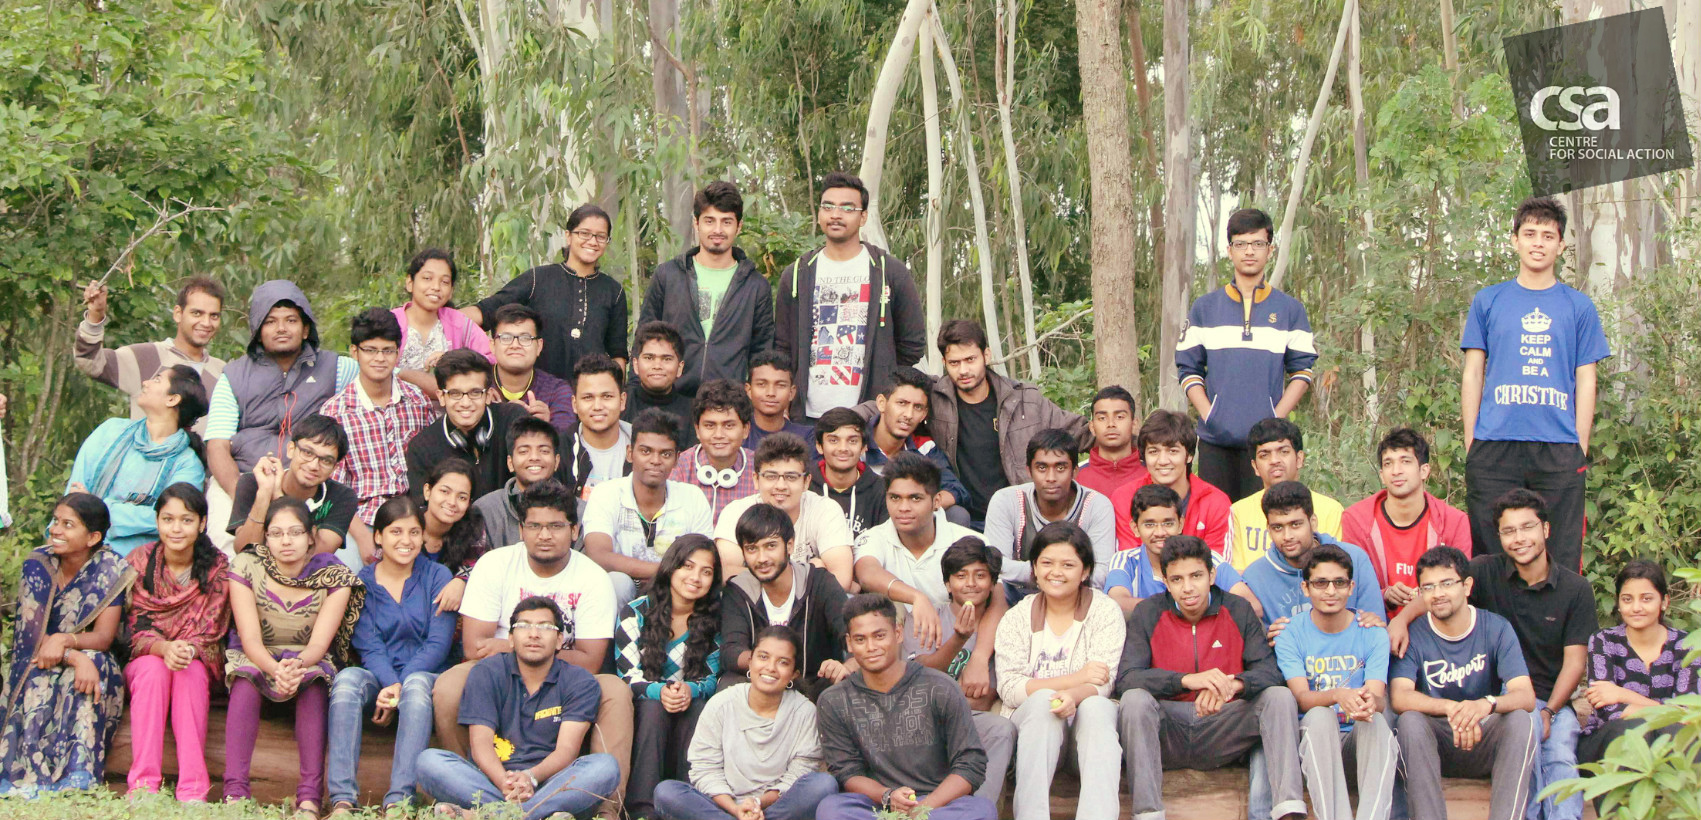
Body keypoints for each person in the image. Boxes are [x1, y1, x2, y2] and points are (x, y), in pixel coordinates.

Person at [431, 480, 632, 816]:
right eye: (535, 526)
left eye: (556, 526)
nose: (544, 535)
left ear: (575, 531)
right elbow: (474, 648)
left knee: (615, 691)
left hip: (565, 680)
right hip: (498, 675)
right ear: (521, 529)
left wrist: (508, 646)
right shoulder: (495, 564)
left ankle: (604, 811)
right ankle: (482, 793)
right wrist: (522, 654)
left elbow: (591, 661)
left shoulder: (593, 577)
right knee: (449, 686)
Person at [1462, 196, 1608, 573]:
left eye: (1548, 235)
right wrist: (1471, 440)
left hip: (1558, 446)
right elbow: (1473, 372)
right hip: (1494, 444)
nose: (1538, 243)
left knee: (1560, 552)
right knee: (1491, 555)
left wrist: (1579, 445)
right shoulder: (1489, 300)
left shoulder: (1578, 307)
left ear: (1561, 245)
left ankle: (1557, 615)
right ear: (1515, 240)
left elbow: (1586, 377)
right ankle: (1496, 616)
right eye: (1529, 234)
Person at [1115, 535, 1306, 820]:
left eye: (1196, 576)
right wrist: (1186, 680)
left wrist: (1233, 685)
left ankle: (1288, 810)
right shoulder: (1148, 612)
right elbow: (1127, 678)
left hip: (1224, 725)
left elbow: (1270, 672)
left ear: (1212, 575)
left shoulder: (1237, 609)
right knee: (1134, 701)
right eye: (1177, 579)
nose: (1188, 587)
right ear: (1165, 582)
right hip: (1169, 729)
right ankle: (1148, 814)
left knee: (1278, 697)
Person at [415, 597, 623, 820]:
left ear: (559, 641)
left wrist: (531, 777)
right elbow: (480, 743)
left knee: (605, 767)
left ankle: (486, 816)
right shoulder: (487, 672)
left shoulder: (579, 681)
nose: (534, 634)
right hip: (493, 782)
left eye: (545, 627)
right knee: (429, 762)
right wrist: (505, 782)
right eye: (524, 626)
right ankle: (535, 815)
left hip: (552, 783)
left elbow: (567, 749)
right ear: (511, 639)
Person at [222, 497, 363, 812]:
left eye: (295, 532)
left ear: (311, 536)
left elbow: (319, 645)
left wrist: (294, 667)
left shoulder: (334, 575)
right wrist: (275, 669)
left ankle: (309, 799)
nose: (286, 541)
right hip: (256, 654)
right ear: (266, 538)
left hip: (308, 658)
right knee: (245, 680)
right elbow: (249, 639)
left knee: (313, 683)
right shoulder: (246, 565)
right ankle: (235, 794)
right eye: (276, 533)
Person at [1465, 489, 1595, 820]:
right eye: (1509, 531)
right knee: (1528, 748)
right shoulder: (1484, 572)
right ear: (1499, 537)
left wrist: (1549, 711)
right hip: (1501, 703)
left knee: (1561, 756)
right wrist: (1401, 622)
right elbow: (1441, 591)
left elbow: (1575, 663)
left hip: (1553, 702)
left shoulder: (1576, 589)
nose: (1519, 538)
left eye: (1527, 527)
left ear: (1546, 529)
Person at [1176, 207, 1318, 502]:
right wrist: (1210, 415)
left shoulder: (1290, 310)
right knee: (1218, 518)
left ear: (1270, 249)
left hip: (1267, 446)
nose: (1249, 251)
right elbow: (1188, 368)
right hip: (1216, 442)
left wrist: (1275, 418)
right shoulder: (1205, 308)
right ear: (1230, 250)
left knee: (1268, 517)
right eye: (1241, 243)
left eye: (1258, 243)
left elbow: (1303, 371)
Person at [326, 496, 456, 815]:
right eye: (396, 532)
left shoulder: (438, 577)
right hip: (380, 678)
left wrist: (399, 685)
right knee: (347, 680)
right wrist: (390, 684)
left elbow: (437, 645)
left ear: (423, 537)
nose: (406, 540)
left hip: (427, 678)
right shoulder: (363, 583)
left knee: (415, 686)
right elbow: (369, 646)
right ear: (378, 537)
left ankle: (400, 800)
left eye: (414, 532)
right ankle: (342, 799)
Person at [205, 280, 358, 551]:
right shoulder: (233, 376)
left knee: (327, 557)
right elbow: (217, 446)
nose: (281, 329)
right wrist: (247, 497)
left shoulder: (335, 368)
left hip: (309, 483)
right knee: (226, 552)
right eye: (270, 322)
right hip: (242, 481)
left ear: (306, 328)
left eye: (291, 320)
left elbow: (383, 376)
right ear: (257, 331)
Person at [815, 595, 996, 820]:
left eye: (879, 636)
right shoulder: (834, 700)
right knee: (831, 809)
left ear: (898, 633)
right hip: (876, 805)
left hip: (937, 805)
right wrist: (887, 796)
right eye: (860, 639)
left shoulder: (940, 687)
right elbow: (846, 771)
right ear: (849, 643)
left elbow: (970, 764)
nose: (871, 647)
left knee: (982, 810)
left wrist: (923, 808)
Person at [0, 493, 136, 795]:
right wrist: (73, 657)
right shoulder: (38, 564)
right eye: (56, 521)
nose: (56, 530)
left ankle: (78, 773)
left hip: (91, 654)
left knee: (94, 664)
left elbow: (103, 637)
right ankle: (28, 772)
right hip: (37, 656)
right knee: (42, 672)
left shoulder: (110, 568)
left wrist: (67, 644)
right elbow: (28, 638)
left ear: (93, 537)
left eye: (68, 524)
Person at [1390, 546, 1539, 820]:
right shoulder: (1414, 634)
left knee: (1521, 720)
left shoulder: (1496, 627)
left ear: (1467, 586)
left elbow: (1525, 695)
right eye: (1428, 587)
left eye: (1447, 583)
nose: (1438, 593)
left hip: (1483, 737)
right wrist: (1452, 708)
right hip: (1436, 742)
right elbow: (1400, 696)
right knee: (1410, 721)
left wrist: (1485, 705)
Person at [993, 523, 1125, 820]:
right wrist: (1075, 681)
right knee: (1044, 703)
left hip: (1084, 735)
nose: (1056, 572)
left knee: (1097, 707)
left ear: (1085, 571)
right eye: (1047, 563)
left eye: (1068, 565)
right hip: (1032, 734)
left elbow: (1103, 682)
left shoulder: (1105, 611)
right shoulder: (1017, 617)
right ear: (1034, 569)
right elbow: (1010, 688)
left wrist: (1074, 696)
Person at [774, 171, 926, 421]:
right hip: (807, 417)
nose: (836, 214)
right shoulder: (797, 274)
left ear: (863, 216)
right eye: (828, 207)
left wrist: (882, 372)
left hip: (869, 415)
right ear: (819, 213)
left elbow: (913, 344)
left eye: (847, 208)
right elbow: (782, 346)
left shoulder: (889, 272)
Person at [653, 626, 840, 820]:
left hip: (776, 807)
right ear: (750, 662)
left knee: (823, 785)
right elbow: (705, 768)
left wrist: (758, 803)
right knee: (666, 792)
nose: (770, 667)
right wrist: (736, 809)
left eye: (783, 662)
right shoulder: (722, 703)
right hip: (723, 807)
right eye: (763, 657)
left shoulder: (804, 712)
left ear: (794, 674)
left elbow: (800, 773)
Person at [122, 484, 231, 802]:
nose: (176, 528)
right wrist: (163, 649)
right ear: (157, 522)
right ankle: (143, 786)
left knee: (189, 672)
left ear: (202, 523)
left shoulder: (218, 568)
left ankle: (193, 789)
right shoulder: (139, 562)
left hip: (196, 660)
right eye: (168, 519)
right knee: (153, 670)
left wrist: (184, 650)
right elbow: (132, 630)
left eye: (186, 520)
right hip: (146, 660)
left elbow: (212, 630)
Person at [1272, 544, 1396, 820]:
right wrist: (1338, 694)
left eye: (1339, 583)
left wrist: (1368, 702)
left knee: (1376, 722)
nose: (1331, 591)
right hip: (1314, 744)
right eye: (1321, 583)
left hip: (1357, 743)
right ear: (1306, 588)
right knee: (1319, 716)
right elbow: (1302, 698)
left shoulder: (1372, 632)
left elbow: (1377, 699)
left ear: (1351, 587)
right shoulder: (1290, 633)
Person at [926, 319, 1090, 527]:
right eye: (954, 363)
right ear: (944, 363)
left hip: (1018, 518)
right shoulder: (933, 400)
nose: (963, 370)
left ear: (986, 355)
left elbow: (1080, 432)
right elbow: (894, 406)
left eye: (970, 359)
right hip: (964, 519)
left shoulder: (1024, 400)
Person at [615, 535, 725, 819]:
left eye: (706, 571)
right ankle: (643, 812)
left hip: (689, 704)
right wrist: (660, 692)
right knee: (654, 709)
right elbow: (627, 675)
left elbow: (711, 679)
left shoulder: (714, 620)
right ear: (671, 567)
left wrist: (688, 690)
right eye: (687, 566)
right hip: (645, 706)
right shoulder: (635, 612)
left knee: (699, 707)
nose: (695, 577)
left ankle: (687, 808)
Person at [320, 307, 439, 564]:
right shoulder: (336, 412)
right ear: (355, 352)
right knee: (345, 573)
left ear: (398, 353)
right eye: (370, 350)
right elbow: (333, 488)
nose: (379, 359)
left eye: (387, 351)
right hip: (361, 520)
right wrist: (363, 537)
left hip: (415, 517)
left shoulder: (417, 401)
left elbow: (433, 466)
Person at [852, 453, 985, 674]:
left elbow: (998, 598)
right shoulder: (874, 538)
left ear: (936, 501)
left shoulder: (968, 540)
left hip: (966, 648)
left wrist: (980, 658)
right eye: (895, 498)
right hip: (903, 652)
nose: (903, 507)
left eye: (915, 498)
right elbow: (867, 573)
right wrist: (916, 597)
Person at [639, 181, 775, 396]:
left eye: (726, 221)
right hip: (670, 398)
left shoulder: (756, 285)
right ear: (696, 222)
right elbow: (643, 340)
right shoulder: (668, 276)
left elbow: (762, 353)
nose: (717, 230)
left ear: (739, 226)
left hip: (729, 402)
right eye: (709, 221)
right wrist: (634, 394)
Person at [907, 538, 1014, 808]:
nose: (971, 583)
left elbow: (988, 694)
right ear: (947, 583)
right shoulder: (927, 617)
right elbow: (918, 675)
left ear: (992, 583)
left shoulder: (1007, 623)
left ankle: (978, 811)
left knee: (1001, 729)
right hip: (925, 717)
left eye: (980, 575)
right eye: (961, 575)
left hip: (974, 718)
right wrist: (958, 639)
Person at [467, 204, 631, 380]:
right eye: (584, 233)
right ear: (568, 236)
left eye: (601, 236)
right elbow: (488, 310)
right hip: (540, 390)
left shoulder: (613, 291)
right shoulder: (538, 279)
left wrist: (614, 390)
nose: (592, 241)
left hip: (590, 392)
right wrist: (446, 319)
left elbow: (617, 354)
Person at [66, 364, 209, 556]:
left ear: (172, 399)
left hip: (138, 559)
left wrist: (99, 509)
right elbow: (75, 492)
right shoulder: (111, 431)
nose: (145, 383)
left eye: (157, 380)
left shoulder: (188, 464)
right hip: (78, 547)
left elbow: (173, 519)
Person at [583, 409, 715, 612]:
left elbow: (703, 559)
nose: (655, 460)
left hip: (675, 590)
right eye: (646, 451)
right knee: (618, 582)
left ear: (677, 458)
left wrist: (671, 577)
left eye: (666, 454)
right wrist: (665, 570)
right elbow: (598, 554)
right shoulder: (606, 493)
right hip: (624, 592)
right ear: (630, 453)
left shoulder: (692, 497)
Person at [719, 503, 851, 700]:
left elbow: (852, 633)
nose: (762, 558)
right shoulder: (738, 589)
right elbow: (731, 650)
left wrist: (846, 667)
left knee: (847, 684)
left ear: (789, 545)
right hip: (761, 684)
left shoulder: (819, 582)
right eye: (752, 548)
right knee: (728, 685)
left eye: (770, 546)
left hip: (815, 685)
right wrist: (769, 664)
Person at [1340, 427, 1472, 617]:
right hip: (1374, 623)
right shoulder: (1356, 519)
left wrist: (1418, 603)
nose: (1396, 471)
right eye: (1388, 463)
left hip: (1435, 622)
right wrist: (1384, 595)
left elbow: (1460, 588)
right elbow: (1350, 586)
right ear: (1382, 475)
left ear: (1424, 470)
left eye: (1405, 461)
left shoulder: (1454, 521)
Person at [1579, 560, 1701, 764]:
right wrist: (1666, 711)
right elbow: (1609, 710)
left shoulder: (1687, 645)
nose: (1636, 607)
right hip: (1609, 742)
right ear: (1619, 603)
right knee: (1631, 730)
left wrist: (1623, 694)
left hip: (1668, 740)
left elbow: (1686, 714)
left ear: (1664, 602)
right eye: (1627, 599)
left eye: (1646, 599)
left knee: (1679, 733)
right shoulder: (1603, 640)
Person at [77, 276, 226, 434]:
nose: (206, 323)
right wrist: (95, 316)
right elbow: (90, 363)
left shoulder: (224, 372)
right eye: (197, 313)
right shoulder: (146, 357)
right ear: (178, 314)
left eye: (214, 316)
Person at [981, 429, 1117, 596]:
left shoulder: (1097, 505)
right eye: (1042, 467)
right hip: (1016, 598)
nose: (1051, 477)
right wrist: (1060, 572)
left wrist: (1048, 574)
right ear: (1029, 471)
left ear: (1075, 471)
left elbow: (1101, 574)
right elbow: (996, 564)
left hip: (1077, 598)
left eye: (1060, 467)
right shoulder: (1006, 500)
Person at [1240, 481, 1386, 637]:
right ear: (1268, 530)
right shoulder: (1255, 577)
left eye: (1295, 524)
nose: (1287, 536)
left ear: (1313, 522)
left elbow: (1374, 627)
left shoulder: (1354, 559)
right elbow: (1255, 642)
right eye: (1278, 527)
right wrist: (1268, 640)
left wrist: (1370, 625)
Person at [716, 432, 856, 589]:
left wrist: (758, 577)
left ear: (806, 481)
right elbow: (726, 573)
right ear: (756, 479)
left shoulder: (825, 510)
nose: (781, 486)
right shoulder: (737, 512)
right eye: (771, 476)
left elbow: (841, 579)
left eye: (791, 477)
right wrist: (808, 573)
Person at [1104, 485, 1256, 617]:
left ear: (1181, 524)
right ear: (1135, 528)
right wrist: (1185, 609)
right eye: (1149, 524)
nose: (1159, 532)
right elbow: (1118, 603)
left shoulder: (1207, 557)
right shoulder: (1125, 560)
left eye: (1168, 523)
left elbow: (1252, 605)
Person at [403, 348, 531, 501]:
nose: (465, 403)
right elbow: (423, 507)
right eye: (455, 394)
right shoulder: (422, 447)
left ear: (488, 395)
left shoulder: (513, 420)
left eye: (475, 393)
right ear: (441, 397)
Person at [227, 414, 361, 559]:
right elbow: (245, 552)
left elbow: (317, 557)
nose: (313, 465)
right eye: (308, 453)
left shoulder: (342, 496)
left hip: (309, 573)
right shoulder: (254, 483)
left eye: (326, 461)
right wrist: (264, 495)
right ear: (291, 449)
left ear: (335, 467)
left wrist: (279, 499)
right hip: (257, 570)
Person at [849, 365, 969, 523]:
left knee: (957, 515)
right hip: (861, 521)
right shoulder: (854, 443)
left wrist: (919, 504)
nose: (909, 414)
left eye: (917, 407)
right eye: (902, 403)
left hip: (909, 524)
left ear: (924, 414)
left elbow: (956, 490)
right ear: (881, 403)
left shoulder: (924, 447)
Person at [1110, 408, 1232, 556]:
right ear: (1144, 456)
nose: (1162, 461)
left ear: (1189, 456)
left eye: (1173, 451)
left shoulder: (1215, 502)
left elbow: (1216, 563)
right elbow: (1130, 557)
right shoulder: (1125, 498)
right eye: (1153, 451)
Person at [1228, 417, 1343, 571]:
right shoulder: (1238, 512)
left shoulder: (1331, 510)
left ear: (1299, 459)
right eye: (1264, 455)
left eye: (1283, 452)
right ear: (1255, 466)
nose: (1274, 460)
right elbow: (1236, 573)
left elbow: (1335, 569)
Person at [390, 247, 495, 397]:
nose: (436, 287)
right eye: (427, 278)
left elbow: (491, 358)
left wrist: (455, 360)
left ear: (451, 291)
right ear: (409, 283)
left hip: (454, 409)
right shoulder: (390, 323)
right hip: (396, 408)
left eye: (444, 282)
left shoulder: (460, 324)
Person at [670, 379, 759, 525]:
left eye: (728, 425)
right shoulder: (679, 467)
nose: (719, 434)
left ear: (745, 429)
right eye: (710, 425)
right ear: (697, 430)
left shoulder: (760, 468)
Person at [473, 416, 563, 551]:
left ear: (556, 461)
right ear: (510, 463)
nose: (534, 457)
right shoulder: (485, 510)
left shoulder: (579, 511)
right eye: (524, 451)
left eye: (544, 451)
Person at [416, 458, 492, 613]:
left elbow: (483, 565)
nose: (452, 502)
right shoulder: (406, 523)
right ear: (427, 491)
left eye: (462, 497)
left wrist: (461, 581)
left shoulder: (473, 528)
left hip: (449, 614)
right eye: (445, 491)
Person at [488, 303, 577, 434]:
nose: (515, 345)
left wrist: (546, 427)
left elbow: (568, 439)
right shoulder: (478, 387)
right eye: (506, 338)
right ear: (492, 346)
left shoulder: (557, 390)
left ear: (539, 346)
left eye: (525, 338)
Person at [560, 353, 633, 504]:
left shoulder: (642, 445)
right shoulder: (560, 449)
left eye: (607, 396)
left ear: (622, 400)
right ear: (574, 404)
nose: (598, 406)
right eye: (588, 397)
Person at [809, 406, 888, 539]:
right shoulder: (804, 486)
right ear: (819, 446)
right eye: (833, 440)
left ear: (864, 447)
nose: (843, 448)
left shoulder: (882, 490)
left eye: (852, 441)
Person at [623, 320, 698, 450]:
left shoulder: (694, 412)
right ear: (635, 364)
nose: (657, 366)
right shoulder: (621, 405)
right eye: (649, 358)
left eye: (667, 359)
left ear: (680, 367)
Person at [1076, 385, 1147, 498]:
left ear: (1134, 424)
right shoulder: (1076, 477)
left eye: (1119, 417)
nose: (1111, 424)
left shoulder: (1152, 475)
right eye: (1102, 418)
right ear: (1092, 427)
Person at [744, 350, 813, 449]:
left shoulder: (806, 437)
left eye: (780, 385)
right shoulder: (735, 434)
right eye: (761, 384)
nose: (771, 393)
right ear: (749, 390)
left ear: (791, 392)